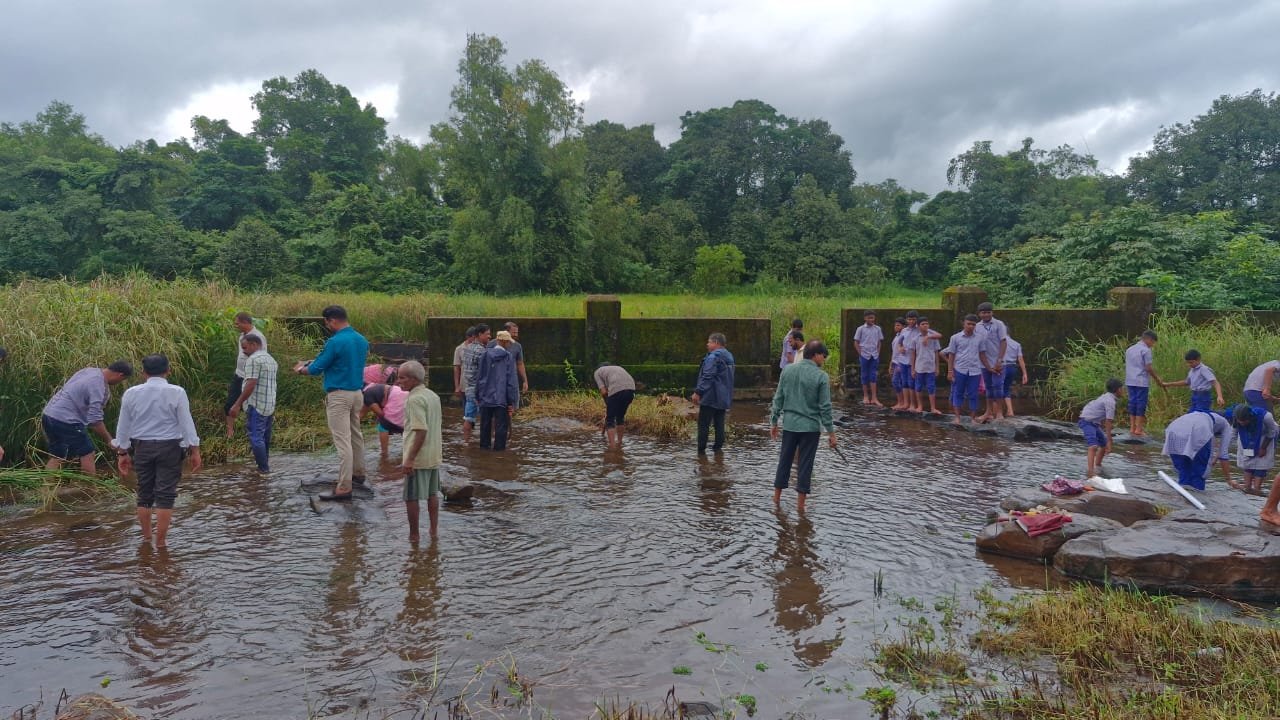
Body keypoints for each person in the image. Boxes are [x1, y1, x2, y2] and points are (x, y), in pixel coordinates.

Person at [111, 354, 201, 548]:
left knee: (144, 494)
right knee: (166, 494)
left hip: (142, 447)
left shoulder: (131, 393)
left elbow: (123, 425)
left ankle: (146, 538)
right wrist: (194, 449)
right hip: (170, 447)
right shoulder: (177, 392)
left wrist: (122, 452)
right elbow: (186, 423)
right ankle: (160, 542)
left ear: (143, 373)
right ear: (168, 370)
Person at [294, 305, 369, 501]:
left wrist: (302, 369)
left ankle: (344, 488)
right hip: (356, 393)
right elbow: (339, 361)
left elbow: (316, 369)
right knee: (356, 435)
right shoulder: (361, 339)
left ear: (332, 320)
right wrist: (314, 362)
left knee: (342, 441)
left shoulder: (334, 341)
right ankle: (358, 474)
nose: (327, 326)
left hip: (339, 396)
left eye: (326, 322)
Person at [769, 340, 837, 512]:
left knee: (784, 460)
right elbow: (825, 407)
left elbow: (779, 397)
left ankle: (776, 499)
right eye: (823, 355)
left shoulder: (788, 370)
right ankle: (801, 507)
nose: (824, 359)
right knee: (805, 465)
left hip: (790, 424)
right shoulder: (821, 376)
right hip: (810, 428)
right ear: (815, 355)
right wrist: (831, 433)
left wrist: (774, 421)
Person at [42, 361, 133, 474]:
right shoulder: (98, 385)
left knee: (58, 455)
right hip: (66, 420)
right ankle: (90, 488)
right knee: (88, 453)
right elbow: (95, 420)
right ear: (120, 375)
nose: (119, 382)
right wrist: (109, 440)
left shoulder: (89, 371)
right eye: (122, 380)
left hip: (49, 414)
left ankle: (46, 488)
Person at [395, 361, 441, 542]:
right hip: (433, 454)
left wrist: (409, 460)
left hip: (418, 457)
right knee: (432, 494)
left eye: (402, 378)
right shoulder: (432, 396)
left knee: (411, 497)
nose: (399, 382)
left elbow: (420, 431)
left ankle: (414, 536)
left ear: (413, 379)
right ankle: (433, 531)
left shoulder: (414, 400)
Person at [227, 334, 277, 472]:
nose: (243, 351)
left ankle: (263, 470)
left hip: (256, 404)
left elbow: (251, 384)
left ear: (254, 344)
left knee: (256, 438)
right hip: (269, 404)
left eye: (245, 347)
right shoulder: (271, 359)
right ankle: (265, 466)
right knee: (264, 437)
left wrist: (237, 404)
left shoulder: (253, 360)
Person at [1162, 409, 1232, 491]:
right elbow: (1223, 455)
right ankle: (1199, 496)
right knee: (1200, 472)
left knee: (1183, 469)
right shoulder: (1226, 424)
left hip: (1174, 428)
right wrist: (1228, 479)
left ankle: (1181, 499)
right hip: (1199, 429)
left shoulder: (1199, 414)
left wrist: (1214, 459)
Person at [475, 330, 519, 450]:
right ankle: (499, 455)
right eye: (508, 342)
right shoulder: (508, 357)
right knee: (501, 427)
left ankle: (484, 453)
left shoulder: (485, 354)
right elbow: (511, 381)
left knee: (485, 426)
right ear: (505, 342)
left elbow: (479, 377)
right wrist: (511, 401)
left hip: (485, 397)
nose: (510, 345)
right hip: (501, 398)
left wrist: (477, 395)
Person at [942, 315, 990, 425]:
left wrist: (988, 368)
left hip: (975, 370)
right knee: (958, 393)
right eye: (969, 324)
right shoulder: (955, 338)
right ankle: (957, 417)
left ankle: (972, 418)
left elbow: (982, 354)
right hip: (960, 369)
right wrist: (950, 371)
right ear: (963, 323)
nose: (971, 326)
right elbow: (952, 355)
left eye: (973, 324)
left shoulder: (980, 338)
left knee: (973, 394)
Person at [225, 313, 267, 438]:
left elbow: (262, 356)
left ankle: (254, 431)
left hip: (251, 376)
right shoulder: (241, 337)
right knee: (230, 404)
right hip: (239, 374)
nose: (236, 325)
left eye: (237, 323)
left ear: (245, 322)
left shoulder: (259, 336)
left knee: (252, 405)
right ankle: (230, 432)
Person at [692, 333, 735, 453]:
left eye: (709, 342)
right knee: (719, 424)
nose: (707, 344)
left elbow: (707, 376)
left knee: (703, 424)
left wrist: (698, 392)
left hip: (711, 397)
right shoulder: (729, 356)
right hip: (724, 397)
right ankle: (718, 450)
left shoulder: (713, 357)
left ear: (716, 342)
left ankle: (701, 452)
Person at [1225, 403, 1277, 496]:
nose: (1242, 423)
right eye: (1240, 421)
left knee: (1258, 482)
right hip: (1246, 443)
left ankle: (1259, 492)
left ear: (1250, 417)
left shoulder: (1265, 417)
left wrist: (1263, 448)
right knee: (1247, 485)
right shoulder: (1236, 419)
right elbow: (1232, 435)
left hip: (1263, 441)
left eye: (1244, 421)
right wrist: (1224, 449)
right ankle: (1247, 489)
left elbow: (1272, 431)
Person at [1078, 379, 1123, 478]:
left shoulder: (1108, 396)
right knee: (1093, 446)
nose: (1123, 391)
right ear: (1117, 390)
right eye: (1122, 388)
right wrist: (1110, 441)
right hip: (1087, 421)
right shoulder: (1110, 401)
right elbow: (1108, 421)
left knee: (1103, 444)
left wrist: (1107, 441)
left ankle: (1097, 465)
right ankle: (1090, 472)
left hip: (1094, 422)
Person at [1124, 330, 1164, 437]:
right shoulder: (1146, 350)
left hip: (1130, 380)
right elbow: (1148, 368)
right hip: (1141, 381)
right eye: (1153, 342)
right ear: (1149, 339)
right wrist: (1157, 379)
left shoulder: (1129, 349)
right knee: (1141, 404)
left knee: (1132, 402)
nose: (1153, 345)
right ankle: (1139, 429)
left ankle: (1132, 428)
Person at [975, 302, 1008, 422]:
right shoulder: (977, 327)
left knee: (998, 386)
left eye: (988, 312)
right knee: (988, 388)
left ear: (992, 313)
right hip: (984, 363)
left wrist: (999, 360)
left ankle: (999, 412)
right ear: (979, 314)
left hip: (998, 362)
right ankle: (988, 412)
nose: (986, 315)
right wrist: (987, 366)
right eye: (983, 312)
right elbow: (978, 347)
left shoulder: (999, 324)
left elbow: (1003, 342)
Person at [460, 324, 491, 443]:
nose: (489, 336)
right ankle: (485, 443)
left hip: (469, 387)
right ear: (479, 334)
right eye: (487, 334)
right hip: (480, 390)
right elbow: (486, 373)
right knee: (486, 417)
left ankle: (466, 443)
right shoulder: (482, 351)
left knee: (468, 418)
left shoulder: (467, 348)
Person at [593, 362, 636, 450]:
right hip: (631, 389)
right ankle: (619, 444)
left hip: (617, 389)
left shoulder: (597, 372)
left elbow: (604, 392)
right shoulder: (617, 368)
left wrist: (608, 405)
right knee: (620, 417)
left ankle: (612, 448)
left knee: (610, 420)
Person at [362, 378, 408, 458]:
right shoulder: (374, 388)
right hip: (404, 395)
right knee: (405, 425)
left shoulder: (367, 395)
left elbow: (380, 413)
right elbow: (361, 413)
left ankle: (384, 453)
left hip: (396, 399)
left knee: (383, 425)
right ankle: (408, 451)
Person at [909, 317, 942, 414]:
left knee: (931, 387)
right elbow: (913, 354)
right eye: (923, 324)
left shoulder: (934, 338)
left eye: (927, 324)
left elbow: (936, 353)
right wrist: (912, 369)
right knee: (918, 387)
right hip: (919, 367)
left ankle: (933, 408)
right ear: (918, 326)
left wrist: (937, 367)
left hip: (931, 367)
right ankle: (920, 406)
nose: (925, 326)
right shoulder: (915, 339)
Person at [852, 310, 884, 406]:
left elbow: (879, 342)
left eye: (873, 318)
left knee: (873, 375)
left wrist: (878, 352)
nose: (871, 320)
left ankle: (874, 397)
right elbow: (856, 342)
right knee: (864, 375)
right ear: (865, 318)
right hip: (864, 355)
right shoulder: (860, 329)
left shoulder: (877, 329)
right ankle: (865, 396)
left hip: (874, 355)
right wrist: (860, 353)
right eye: (869, 318)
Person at [488, 322, 529, 393]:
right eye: (514, 332)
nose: (516, 335)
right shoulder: (492, 344)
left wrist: (525, 381)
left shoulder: (517, 346)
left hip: (511, 380)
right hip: (495, 380)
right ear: (506, 332)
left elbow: (520, 363)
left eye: (517, 332)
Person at [1002, 331, 1029, 417]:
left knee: (996, 388)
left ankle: (995, 413)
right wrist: (1024, 374)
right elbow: (1020, 359)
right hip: (1012, 367)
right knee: (1006, 389)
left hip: (1001, 367)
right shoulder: (1016, 344)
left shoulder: (999, 342)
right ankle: (1010, 411)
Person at [889, 318, 911, 410]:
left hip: (900, 363)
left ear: (904, 327)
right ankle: (900, 402)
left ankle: (903, 402)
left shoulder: (905, 337)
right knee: (896, 382)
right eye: (895, 325)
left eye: (898, 325)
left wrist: (898, 364)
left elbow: (903, 352)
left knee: (898, 382)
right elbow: (894, 352)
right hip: (894, 362)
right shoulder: (897, 336)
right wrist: (891, 364)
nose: (896, 327)